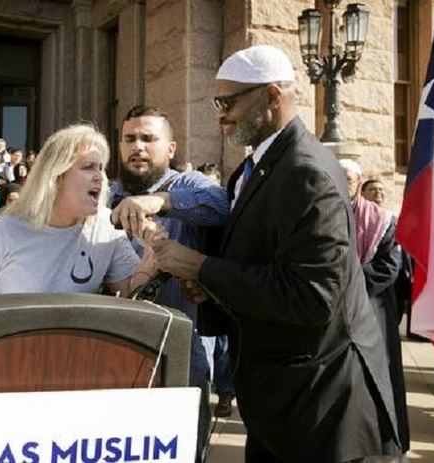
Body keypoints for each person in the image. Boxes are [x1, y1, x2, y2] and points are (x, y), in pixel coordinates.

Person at [151, 45, 401, 462]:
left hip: (325, 411)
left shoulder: (306, 172)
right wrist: (213, 287)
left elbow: (312, 296)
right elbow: (266, 260)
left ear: (271, 97)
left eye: (228, 101)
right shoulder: (261, 165)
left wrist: (200, 265)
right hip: (285, 405)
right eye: (217, 102)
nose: (220, 113)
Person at [109, 105, 231, 411]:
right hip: (116, 345)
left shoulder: (186, 184)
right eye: (130, 138)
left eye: (148, 138)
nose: (138, 146)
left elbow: (219, 205)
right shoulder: (106, 194)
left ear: (171, 147)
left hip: (180, 349)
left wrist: (159, 201)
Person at [0, 124, 156, 299]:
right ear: (56, 178)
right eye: (88, 167)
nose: (100, 178)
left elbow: (131, 294)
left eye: (101, 168)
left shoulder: (106, 227)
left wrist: (152, 253)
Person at [341, 159, 410, 453]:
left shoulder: (383, 221)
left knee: (380, 381)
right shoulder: (325, 213)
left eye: (348, 180)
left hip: (374, 309)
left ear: (358, 184)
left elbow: (388, 268)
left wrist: (346, 282)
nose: (342, 184)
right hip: (338, 314)